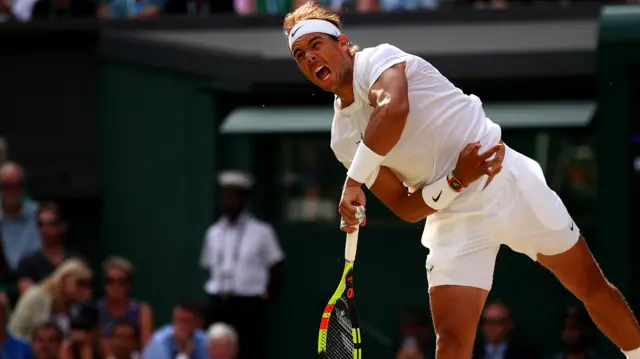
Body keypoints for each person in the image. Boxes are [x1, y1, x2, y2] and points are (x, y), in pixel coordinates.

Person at [283, 2, 640, 359]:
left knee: (591, 287)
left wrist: (353, 181)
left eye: (317, 44)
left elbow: (393, 108)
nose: (310, 57)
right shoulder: (343, 137)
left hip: (505, 182)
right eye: (300, 54)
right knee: (452, 342)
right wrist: (454, 181)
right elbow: (407, 208)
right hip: (452, 215)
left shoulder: (379, 60)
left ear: (342, 43)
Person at [201, 170, 284, 359]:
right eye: (225, 196)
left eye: (234, 196)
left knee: (248, 351)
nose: (228, 201)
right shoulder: (213, 232)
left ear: (244, 198)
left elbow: (277, 267)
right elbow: (208, 266)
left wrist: (264, 296)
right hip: (218, 301)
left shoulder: (261, 232)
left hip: (248, 304)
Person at [8, 258, 92, 339]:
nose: (85, 290)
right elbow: (16, 332)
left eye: (87, 285)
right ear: (64, 279)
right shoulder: (37, 296)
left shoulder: (75, 307)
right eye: (80, 283)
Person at [97, 256, 153, 347]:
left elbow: (147, 349)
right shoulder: (96, 310)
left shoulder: (141, 311)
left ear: (129, 284)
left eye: (121, 281)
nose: (115, 286)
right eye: (110, 281)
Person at [142, 300, 207, 359]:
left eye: (186, 321)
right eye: (177, 320)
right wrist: (184, 354)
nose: (180, 326)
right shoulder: (159, 341)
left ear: (198, 323)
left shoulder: (204, 340)